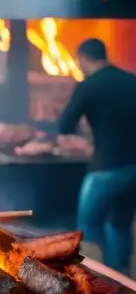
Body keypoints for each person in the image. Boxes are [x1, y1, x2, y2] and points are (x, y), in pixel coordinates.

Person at [58, 38, 136, 273]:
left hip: (104, 169)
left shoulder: (88, 85)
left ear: (82, 57)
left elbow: (64, 124)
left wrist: (85, 134)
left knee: (89, 223)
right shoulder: (132, 81)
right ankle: (121, 277)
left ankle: (97, 275)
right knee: (120, 224)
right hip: (133, 166)